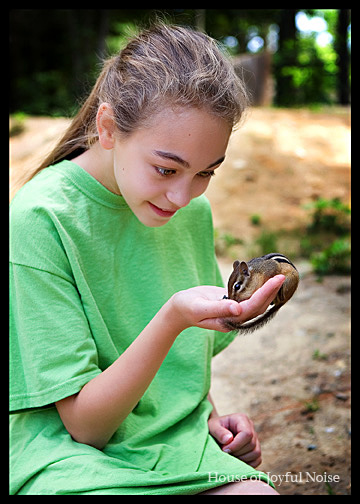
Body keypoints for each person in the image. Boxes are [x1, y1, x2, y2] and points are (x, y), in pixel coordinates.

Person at [10, 23, 283, 495]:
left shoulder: (190, 210)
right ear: (108, 128)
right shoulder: (40, 221)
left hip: (168, 446)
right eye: (166, 168)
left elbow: (182, 367)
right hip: (64, 459)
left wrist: (208, 423)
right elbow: (85, 428)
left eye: (205, 173)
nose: (181, 195)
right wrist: (173, 318)